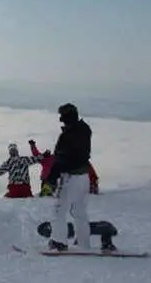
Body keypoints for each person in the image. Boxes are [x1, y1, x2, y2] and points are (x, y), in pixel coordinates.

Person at [43, 102, 94, 251]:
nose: (60, 120)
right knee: (80, 211)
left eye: (62, 117)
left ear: (67, 117)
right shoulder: (85, 130)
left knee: (59, 210)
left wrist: (51, 179)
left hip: (70, 177)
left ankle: (59, 242)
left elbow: (61, 160)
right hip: (84, 176)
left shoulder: (67, 136)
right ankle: (84, 243)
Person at [31, 139, 100, 196]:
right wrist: (33, 146)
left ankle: (52, 192)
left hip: (53, 179)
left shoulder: (60, 159)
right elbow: (36, 154)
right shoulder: (46, 159)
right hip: (47, 179)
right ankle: (48, 192)